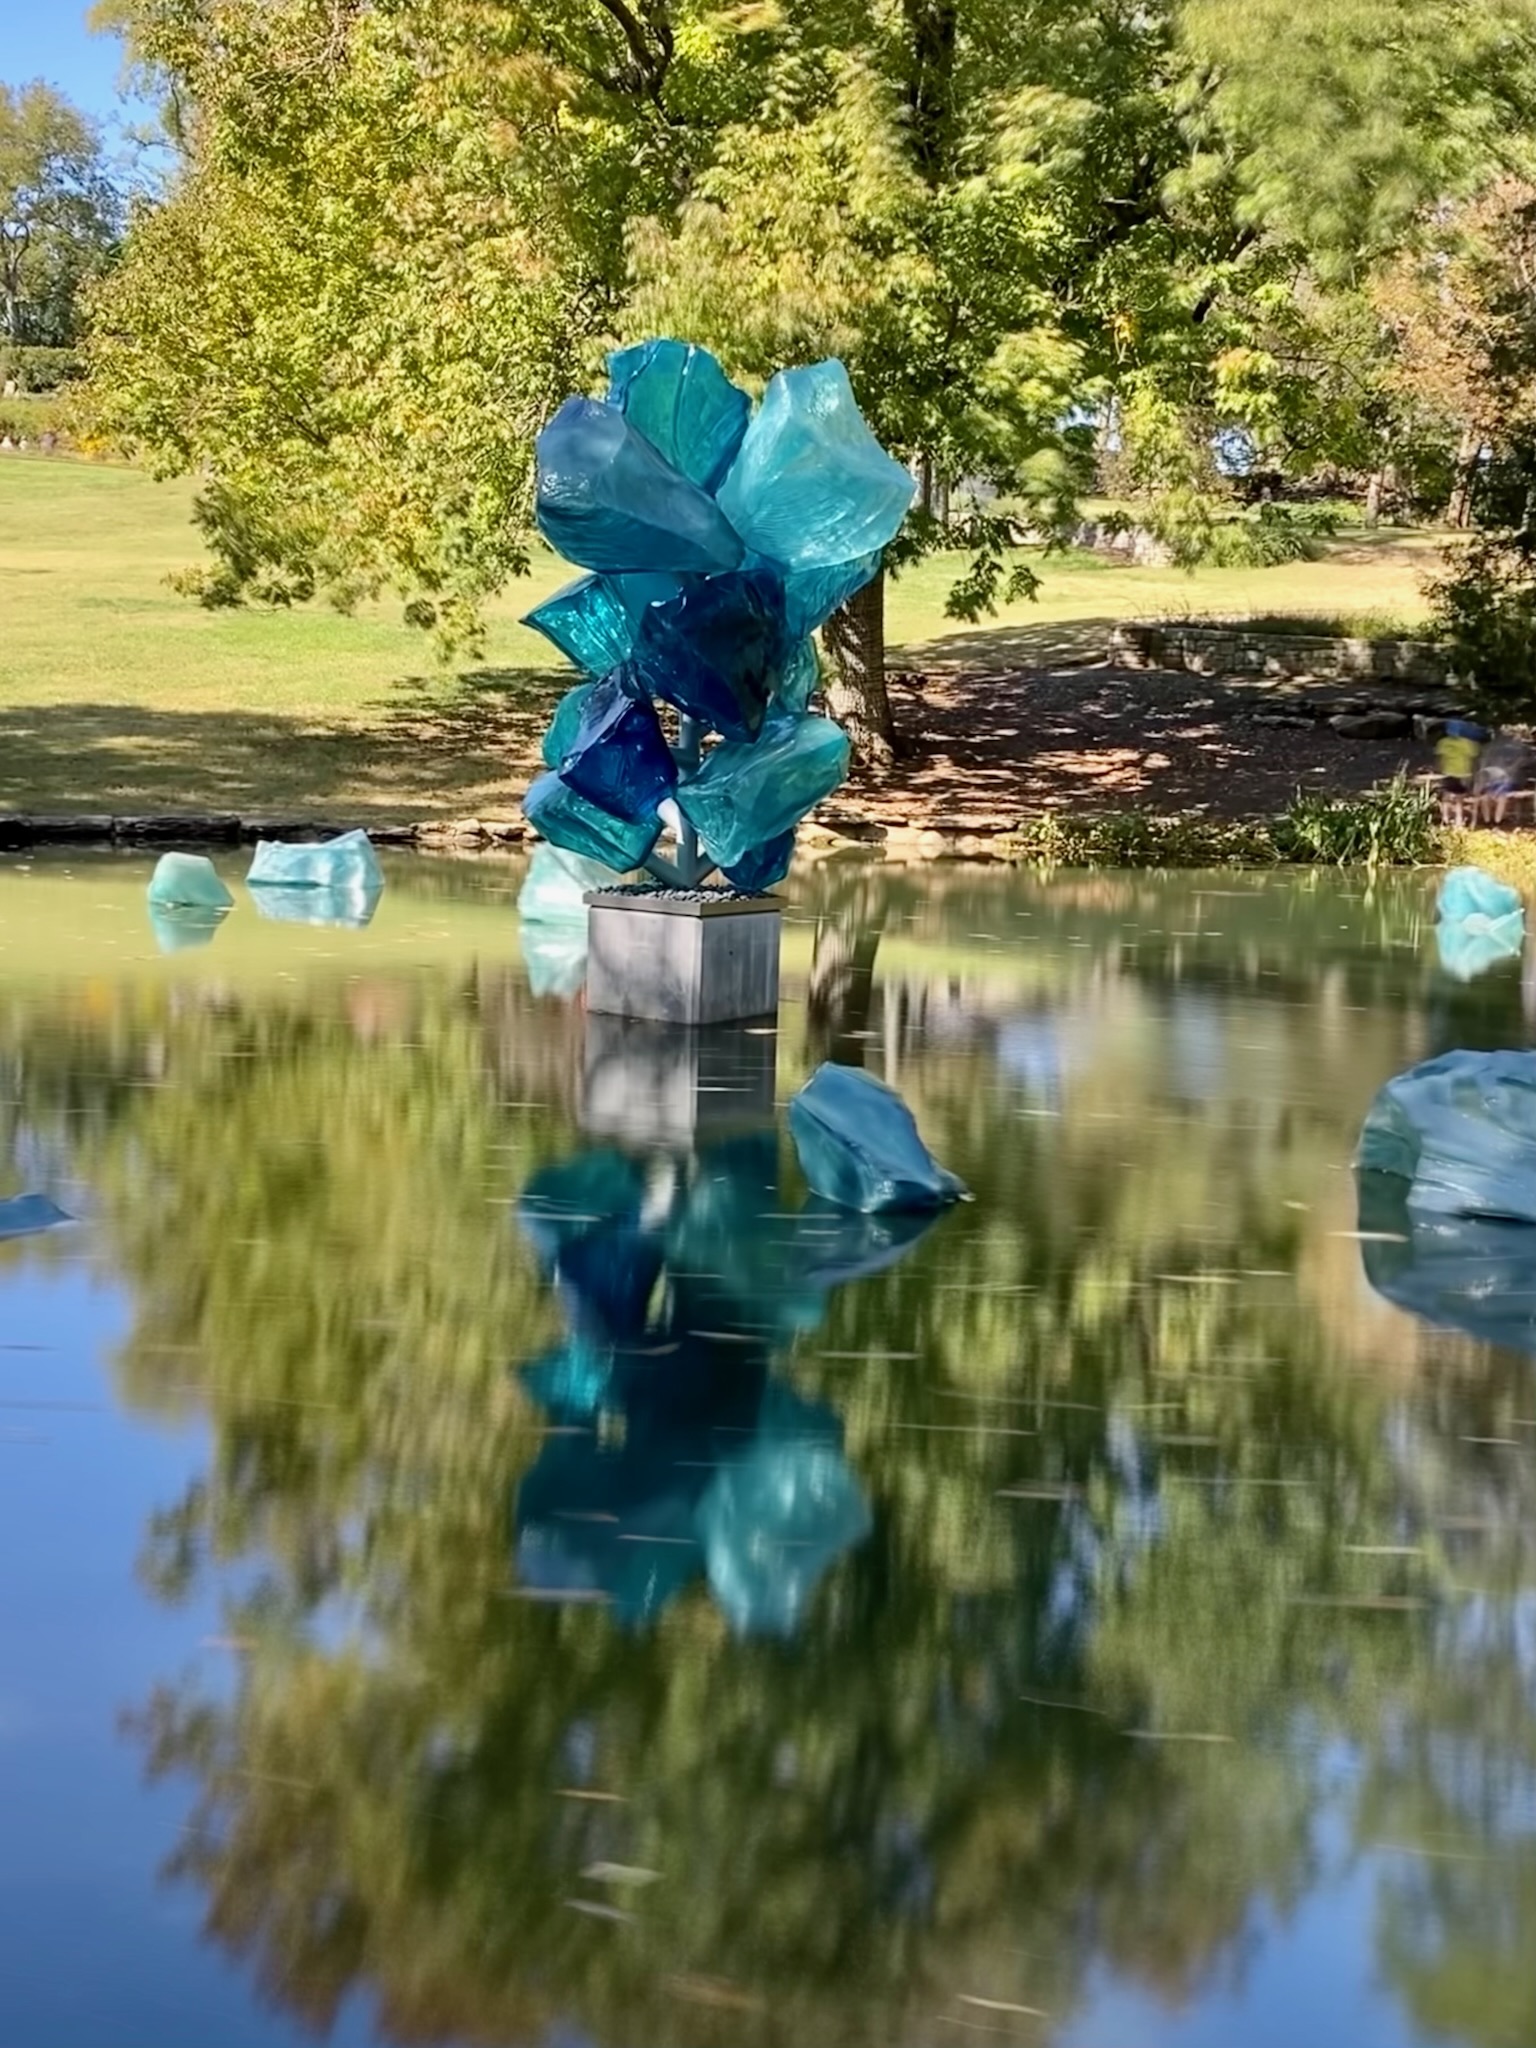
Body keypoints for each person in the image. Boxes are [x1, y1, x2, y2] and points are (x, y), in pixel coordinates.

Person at [1472, 729, 1533, 826]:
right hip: (1493, 781)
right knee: (1485, 798)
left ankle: (1498, 822)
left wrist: (1514, 768)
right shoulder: (1490, 751)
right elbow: (1484, 770)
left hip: (1509, 781)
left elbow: (1521, 767)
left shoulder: (1518, 751)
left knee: (1501, 796)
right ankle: (1488, 821)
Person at [1436, 719, 1487, 825]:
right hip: (1464, 773)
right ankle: (1459, 819)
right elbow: (1475, 755)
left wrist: (1440, 769)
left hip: (1448, 772)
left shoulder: (1442, 743)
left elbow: (1439, 757)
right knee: (1459, 798)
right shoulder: (1468, 743)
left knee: (1446, 796)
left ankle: (1445, 818)